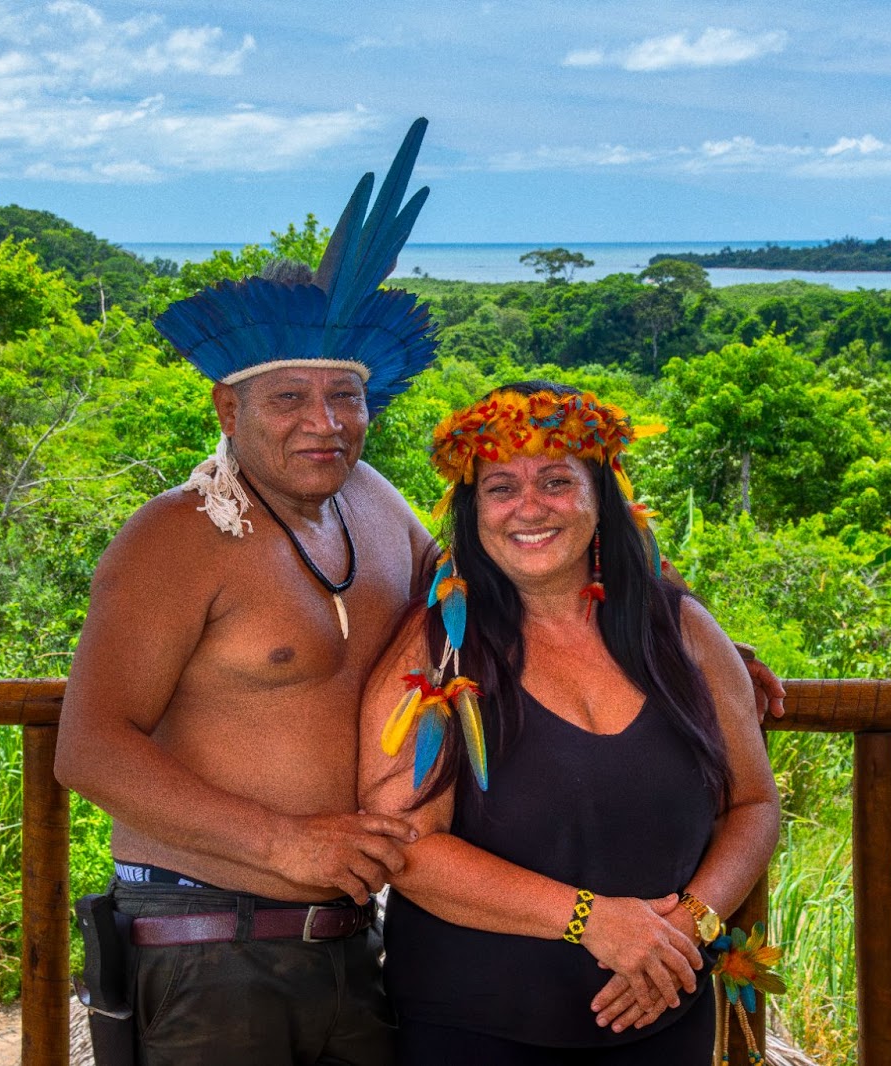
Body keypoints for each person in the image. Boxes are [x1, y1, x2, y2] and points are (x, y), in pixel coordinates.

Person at [56, 119, 787, 1065]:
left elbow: (516, 557)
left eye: (345, 396)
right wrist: (284, 844)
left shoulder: (372, 501)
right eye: (287, 399)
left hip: (349, 937)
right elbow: (89, 744)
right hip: (209, 931)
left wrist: (698, 646)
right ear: (228, 408)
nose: (323, 423)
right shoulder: (178, 537)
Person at [358, 382, 782, 1065]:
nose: (528, 507)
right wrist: (592, 920)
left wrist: (683, 931)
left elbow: (755, 804)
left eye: (556, 481)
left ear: (599, 495)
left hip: (663, 1016)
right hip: (473, 1032)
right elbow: (405, 845)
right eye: (501, 487)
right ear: (474, 509)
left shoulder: (680, 630)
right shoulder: (437, 646)